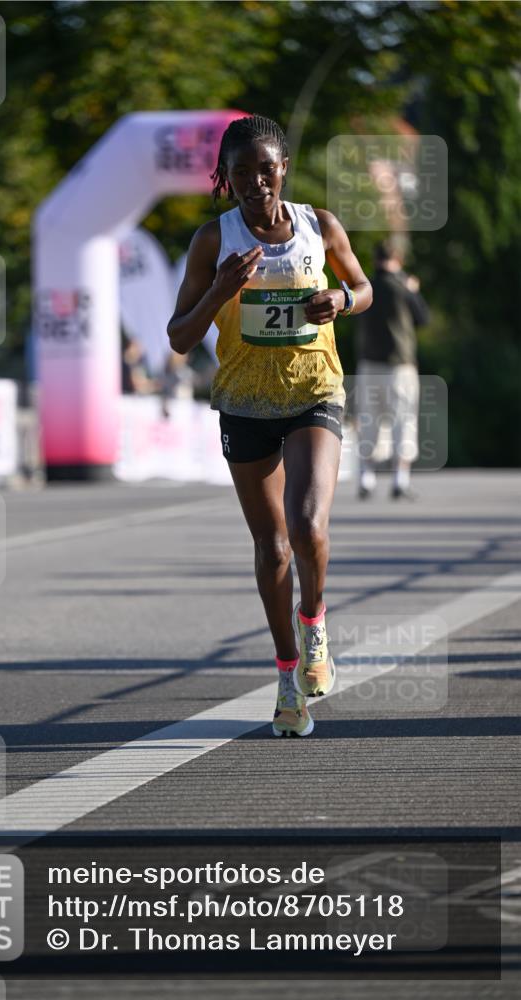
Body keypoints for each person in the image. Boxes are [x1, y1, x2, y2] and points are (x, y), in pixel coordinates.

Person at [167, 115, 372, 738]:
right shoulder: (213, 240)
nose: (256, 182)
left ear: (283, 168)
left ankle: (315, 624)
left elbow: (363, 286)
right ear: (224, 179)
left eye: (265, 169)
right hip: (245, 401)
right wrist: (219, 290)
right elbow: (179, 338)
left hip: (314, 391)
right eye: (241, 173)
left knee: (308, 526)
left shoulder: (319, 225)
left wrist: (342, 300)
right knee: (274, 546)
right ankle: (287, 676)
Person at [354, 236, 430, 500]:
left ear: (376, 259)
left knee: (369, 420)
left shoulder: (366, 286)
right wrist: (413, 291)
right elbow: (423, 318)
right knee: (403, 420)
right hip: (400, 365)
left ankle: (366, 477)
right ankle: (400, 479)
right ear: (397, 259)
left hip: (368, 363)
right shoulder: (402, 286)